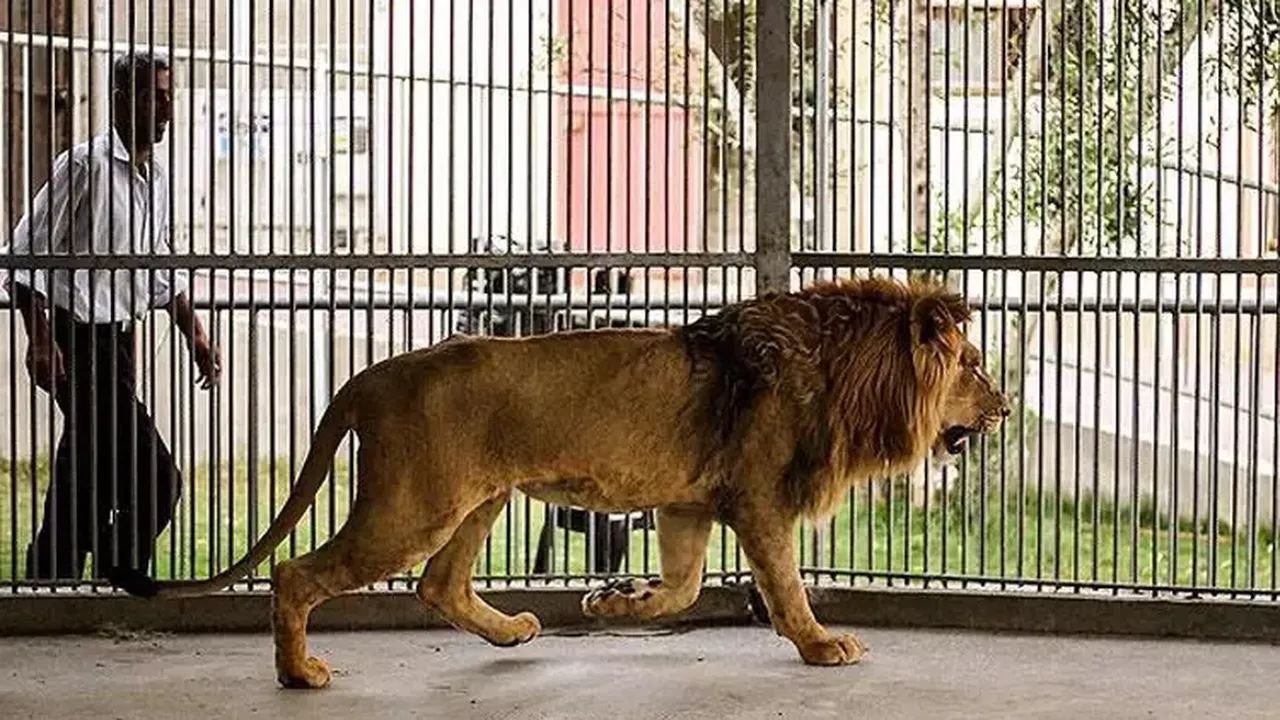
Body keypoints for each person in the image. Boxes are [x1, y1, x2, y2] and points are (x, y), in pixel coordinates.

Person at [3, 50, 221, 581]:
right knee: (158, 479)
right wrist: (39, 339)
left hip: (121, 342)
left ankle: (48, 581)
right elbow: (26, 254)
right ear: (122, 100)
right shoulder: (84, 167)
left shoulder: (159, 180)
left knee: (88, 476)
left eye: (171, 96)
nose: (168, 108)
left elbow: (158, 269)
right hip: (76, 344)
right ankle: (118, 572)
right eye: (156, 96)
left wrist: (193, 331)